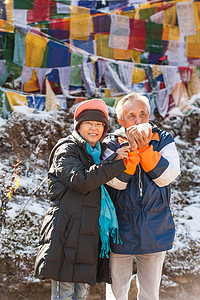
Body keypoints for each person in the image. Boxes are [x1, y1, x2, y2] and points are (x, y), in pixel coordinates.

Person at [34, 98, 129, 300]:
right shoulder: (66, 149)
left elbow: (96, 173)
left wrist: (112, 160)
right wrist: (117, 164)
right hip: (66, 231)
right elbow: (81, 180)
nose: (94, 129)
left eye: (99, 124)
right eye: (89, 123)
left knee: (80, 295)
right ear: (79, 125)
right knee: (64, 294)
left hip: (85, 234)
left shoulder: (96, 154)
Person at [103, 92, 181, 300]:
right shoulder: (111, 143)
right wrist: (132, 152)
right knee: (116, 292)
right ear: (121, 120)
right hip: (119, 226)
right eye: (132, 116)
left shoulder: (162, 139)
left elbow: (167, 176)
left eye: (143, 115)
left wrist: (145, 149)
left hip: (156, 224)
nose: (138, 120)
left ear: (149, 116)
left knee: (150, 293)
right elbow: (117, 182)